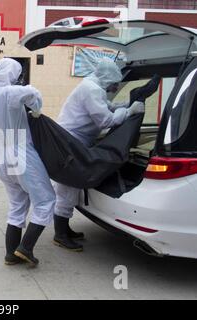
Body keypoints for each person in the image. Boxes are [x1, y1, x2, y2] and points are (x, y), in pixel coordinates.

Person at [53, 57, 145, 251]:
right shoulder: (92, 89)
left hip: (74, 142)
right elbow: (106, 120)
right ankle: (60, 234)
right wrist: (129, 112)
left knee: (71, 187)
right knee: (68, 188)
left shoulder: (93, 86)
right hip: (72, 143)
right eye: (114, 84)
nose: (114, 87)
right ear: (106, 78)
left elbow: (107, 107)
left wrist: (126, 104)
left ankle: (64, 229)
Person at [0, 58, 56, 267]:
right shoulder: (9, 93)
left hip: (2, 157)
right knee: (46, 201)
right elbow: (33, 93)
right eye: (18, 75)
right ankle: (25, 248)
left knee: (17, 205)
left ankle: (10, 254)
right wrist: (36, 108)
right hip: (22, 155)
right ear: (13, 75)